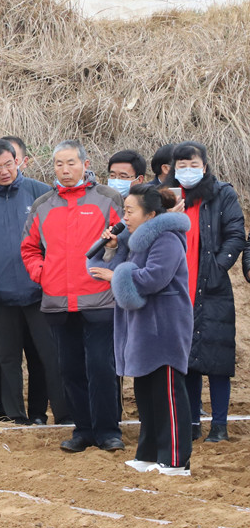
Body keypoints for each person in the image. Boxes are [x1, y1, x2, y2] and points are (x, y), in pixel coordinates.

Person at [21, 140, 124, 453]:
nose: (64, 170)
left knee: (101, 367)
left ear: (85, 163)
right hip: (58, 302)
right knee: (70, 369)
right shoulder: (43, 205)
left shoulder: (108, 198)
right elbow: (29, 248)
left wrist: (112, 264)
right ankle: (82, 430)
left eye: (71, 163)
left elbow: (124, 240)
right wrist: (43, 274)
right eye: (58, 164)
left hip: (100, 299)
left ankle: (108, 431)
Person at [89, 185, 193, 475]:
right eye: (125, 210)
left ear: (150, 214)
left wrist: (117, 274)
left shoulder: (168, 238)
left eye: (130, 211)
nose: (125, 216)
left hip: (165, 326)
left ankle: (175, 459)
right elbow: (111, 271)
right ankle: (148, 454)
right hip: (142, 327)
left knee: (168, 393)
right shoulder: (136, 241)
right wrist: (111, 251)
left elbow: (153, 278)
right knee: (146, 393)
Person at [0, 139, 68, 426]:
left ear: (19, 162)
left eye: (8, 164)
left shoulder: (41, 194)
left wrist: (47, 274)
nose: (4, 171)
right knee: (7, 359)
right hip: (0, 294)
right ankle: (15, 415)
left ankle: (64, 413)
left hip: (40, 292)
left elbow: (60, 241)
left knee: (51, 357)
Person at [165, 141, 244, 443]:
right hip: (177, 288)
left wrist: (218, 267)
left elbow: (236, 234)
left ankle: (220, 425)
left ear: (205, 167)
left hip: (212, 287)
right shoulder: (168, 195)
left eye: (193, 165)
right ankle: (193, 422)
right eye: (181, 166)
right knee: (188, 361)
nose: (187, 171)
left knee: (218, 359)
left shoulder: (222, 193)